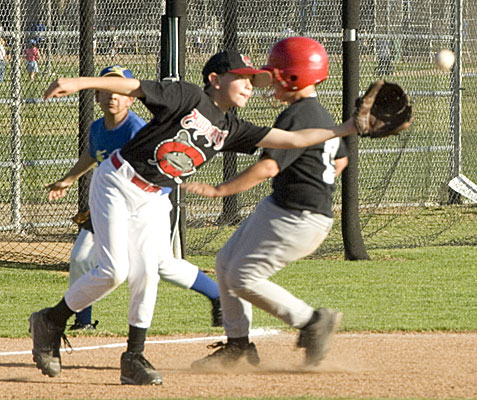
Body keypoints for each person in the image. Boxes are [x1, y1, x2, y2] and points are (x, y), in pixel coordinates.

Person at [29, 49, 358, 385]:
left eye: (253, 81)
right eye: (242, 78)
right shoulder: (188, 97)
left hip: (154, 197)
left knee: (148, 273)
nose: (249, 86)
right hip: (117, 182)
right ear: (215, 79)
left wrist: (348, 127)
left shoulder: (230, 127)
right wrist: (79, 83)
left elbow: (294, 139)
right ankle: (50, 320)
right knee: (114, 271)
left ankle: (134, 357)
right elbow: (134, 87)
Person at [183, 37, 348, 370]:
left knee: (243, 277)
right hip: (283, 207)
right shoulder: (316, 112)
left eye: (277, 75)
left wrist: (221, 190)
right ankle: (238, 345)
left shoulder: (299, 115)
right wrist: (316, 179)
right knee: (225, 263)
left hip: (299, 216)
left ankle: (311, 321)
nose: (271, 83)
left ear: (295, 76)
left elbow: (270, 166)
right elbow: (340, 159)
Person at [45, 65, 222, 331]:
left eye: (119, 91)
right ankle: (82, 322)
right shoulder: (97, 128)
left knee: (162, 265)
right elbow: (93, 154)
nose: (112, 96)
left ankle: (218, 296)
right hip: (111, 203)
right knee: (82, 258)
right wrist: (68, 179)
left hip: (146, 205)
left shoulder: (136, 129)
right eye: (107, 90)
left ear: (131, 99)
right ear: (97, 96)